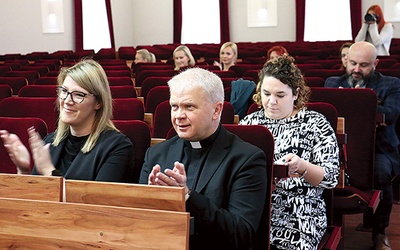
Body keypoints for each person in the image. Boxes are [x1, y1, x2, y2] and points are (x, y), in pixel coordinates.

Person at [139, 67, 268, 250]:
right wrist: (149, 201)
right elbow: (141, 224)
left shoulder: (246, 159)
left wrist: (187, 196)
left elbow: (241, 235)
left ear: (217, 110)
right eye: (174, 106)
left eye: (189, 106)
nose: (178, 116)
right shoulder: (156, 154)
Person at [240, 55, 340, 250]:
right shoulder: (249, 123)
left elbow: (330, 179)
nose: (271, 102)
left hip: (300, 211)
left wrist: (302, 166)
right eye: (266, 93)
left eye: (280, 95)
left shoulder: (315, 123)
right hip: (255, 208)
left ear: (295, 94)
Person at [0, 59, 135, 182]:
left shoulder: (118, 147)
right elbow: (36, 197)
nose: (67, 101)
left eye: (78, 95)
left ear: (98, 103)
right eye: (64, 91)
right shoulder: (50, 141)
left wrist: (49, 171)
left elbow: (95, 203)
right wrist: (24, 170)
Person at [324, 41, 400, 249]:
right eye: (353, 63)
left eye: (364, 65)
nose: (356, 70)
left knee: (381, 173)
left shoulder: (391, 84)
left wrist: (359, 101)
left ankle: (379, 232)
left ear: (375, 63)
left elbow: (390, 114)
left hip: (379, 148)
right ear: (346, 60)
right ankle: (326, 229)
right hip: (340, 147)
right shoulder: (332, 82)